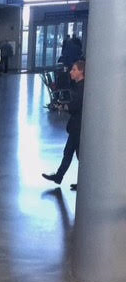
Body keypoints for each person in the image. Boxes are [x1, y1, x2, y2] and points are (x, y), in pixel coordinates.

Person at [42, 59, 85, 191]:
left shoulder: (82, 88)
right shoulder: (78, 86)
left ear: (81, 71)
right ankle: (59, 177)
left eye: (74, 70)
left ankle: (79, 181)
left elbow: (76, 106)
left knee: (77, 155)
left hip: (78, 127)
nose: (71, 72)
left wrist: (64, 107)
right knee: (69, 153)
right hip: (76, 127)